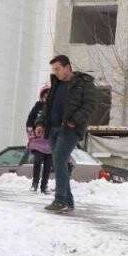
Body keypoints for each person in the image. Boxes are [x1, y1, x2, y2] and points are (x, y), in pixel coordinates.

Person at [36, 55, 98, 214]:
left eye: (57, 69)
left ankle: (60, 199)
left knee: (59, 159)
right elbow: (47, 108)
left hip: (70, 129)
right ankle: (68, 202)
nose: (55, 72)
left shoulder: (84, 83)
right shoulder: (56, 85)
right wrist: (40, 123)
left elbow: (90, 105)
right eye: (54, 70)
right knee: (59, 163)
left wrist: (74, 120)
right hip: (53, 130)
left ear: (68, 67)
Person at [27, 125, 52, 194]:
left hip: (51, 144)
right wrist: (32, 134)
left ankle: (44, 186)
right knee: (37, 162)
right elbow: (29, 124)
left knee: (48, 166)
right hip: (39, 143)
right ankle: (34, 184)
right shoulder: (39, 115)